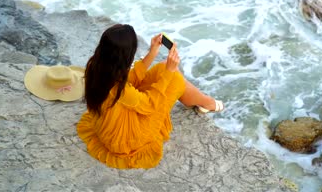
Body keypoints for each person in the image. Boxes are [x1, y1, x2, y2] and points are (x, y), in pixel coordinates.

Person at [77, 24, 224, 169]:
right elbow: (150, 104)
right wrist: (169, 72)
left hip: (110, 123)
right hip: (125, 140)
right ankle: (205, 102)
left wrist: (153, 51)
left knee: (163, 66)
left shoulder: (96, 65)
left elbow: (130, 78)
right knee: (175, 79)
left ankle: (202, 101)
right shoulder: (120, 90)